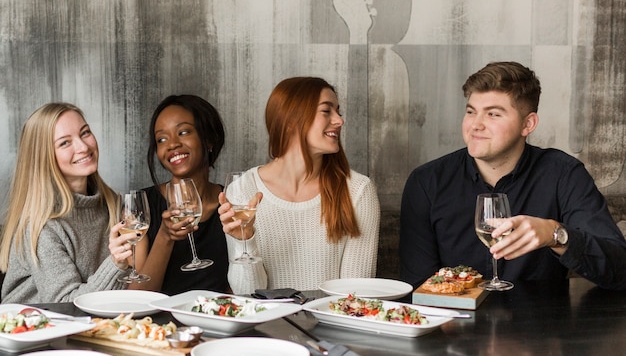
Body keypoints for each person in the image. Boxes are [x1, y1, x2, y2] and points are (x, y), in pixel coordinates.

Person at [400, 61, 626, 290]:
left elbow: (620, 270)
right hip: (452, 322)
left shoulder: (564, 175)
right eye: (471, 112)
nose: (475, 125)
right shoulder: (427, 182)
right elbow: (418, 287)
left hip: (543, 322)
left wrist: (555, 234)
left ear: (527, 124)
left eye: (493, 114)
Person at [218, 76, 380, 294]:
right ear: (291, 120)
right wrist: (245, 241)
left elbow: (355, 295)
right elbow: (247, 295)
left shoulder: (358, 191)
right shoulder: (241, 190)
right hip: (263, 327)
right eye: (326, 111)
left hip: (332, 325)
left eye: (338, 111)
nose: (339, 121)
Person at [0, 103, 134, 303]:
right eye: (64, 143)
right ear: (44, 157)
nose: (83, 147)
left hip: (91, 326)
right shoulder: (42, 226)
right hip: (35, 329)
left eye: (85, 132)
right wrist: (116, 263)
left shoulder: (112, 205)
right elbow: (64, 304)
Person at [130, 95, 229, 294]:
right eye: (162, 139)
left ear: (209, 138)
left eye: (183, 132)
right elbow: (137, 295)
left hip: (218, 319)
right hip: (159, 324)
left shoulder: (230, 202)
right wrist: (165, 236)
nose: (172, 144)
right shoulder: (141, 206)